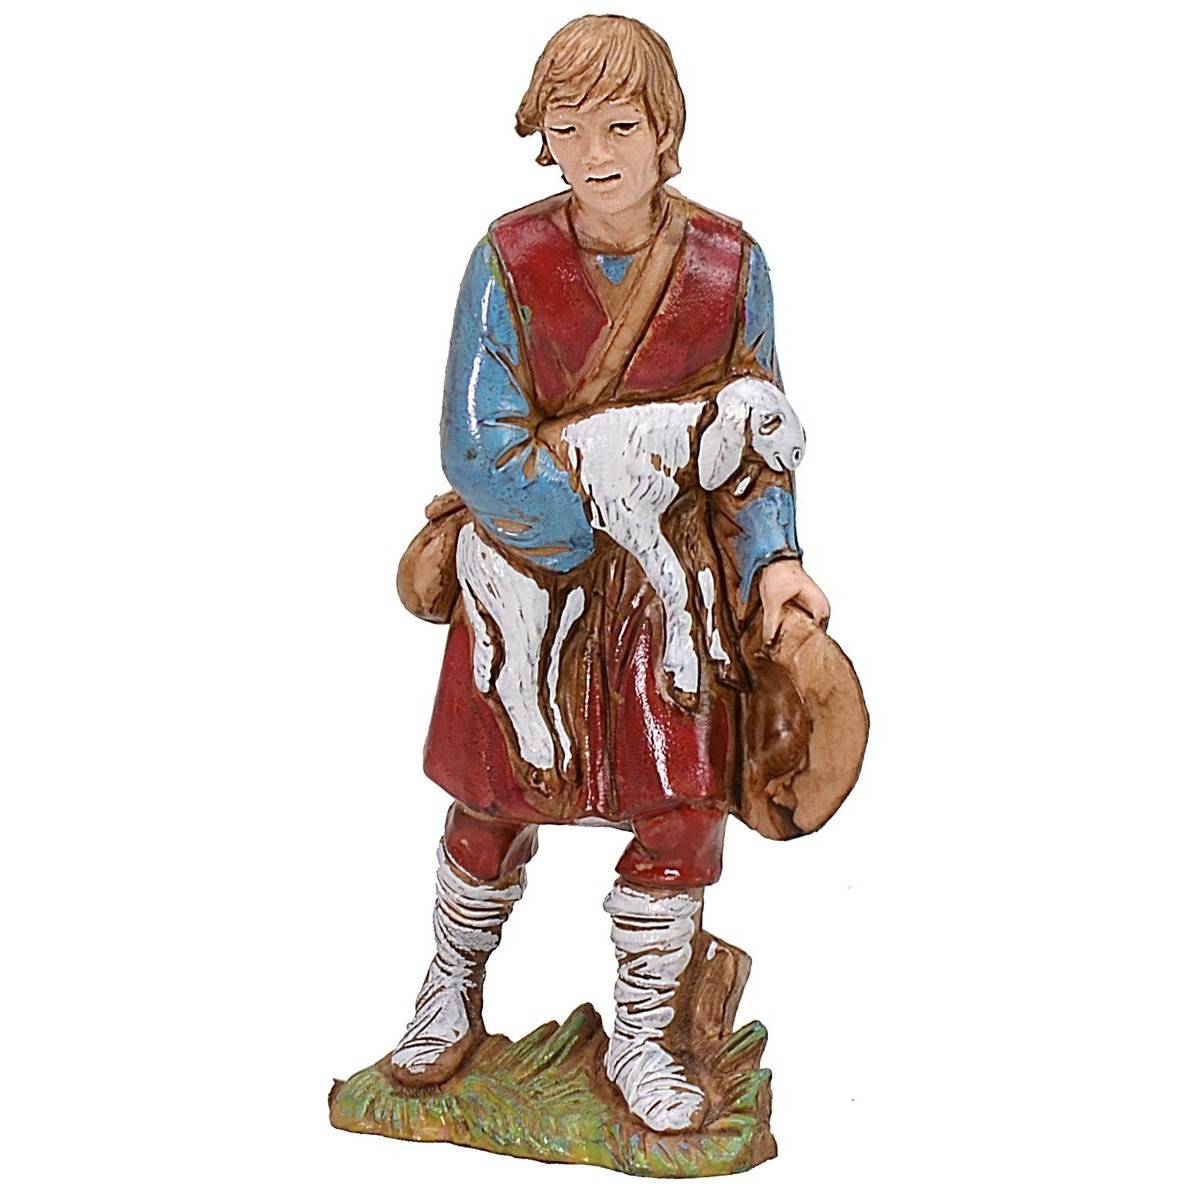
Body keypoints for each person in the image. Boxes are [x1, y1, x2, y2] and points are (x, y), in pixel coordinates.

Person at [390, 15, 831, 1134]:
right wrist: (569, 538)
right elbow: (476, 439)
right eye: (570, 126)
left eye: (621, 126)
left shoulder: (729, 265)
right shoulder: (507, 261)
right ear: (541, 136)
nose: (596, 152)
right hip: (529, 569)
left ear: (664, 129)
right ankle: (449, 991)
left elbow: (756, 442)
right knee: (489, 798)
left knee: (681, 808)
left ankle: (644, 1036)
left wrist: (775, 563)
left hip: (670, 598)